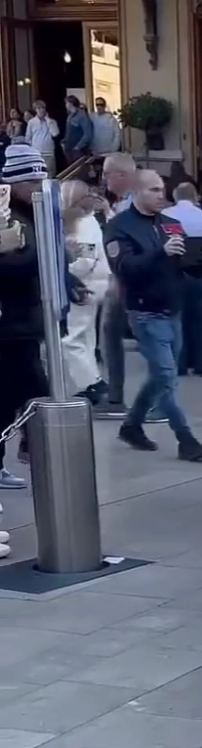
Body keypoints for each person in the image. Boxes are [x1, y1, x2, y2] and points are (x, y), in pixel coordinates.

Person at [103, 169, 202, 462]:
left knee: (160, 375)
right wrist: (161, 253)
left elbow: (188, 267)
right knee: (166, 376)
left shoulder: (170, 224)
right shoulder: (119, 227)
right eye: (153, 190)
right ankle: (185, 438)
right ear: (137, 192)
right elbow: (125, 267)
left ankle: (132, 425)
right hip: (144, 312)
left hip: (173, 309)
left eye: (161, 189)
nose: (160, 195)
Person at [0, 143, 50, 491]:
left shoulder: (34, 214)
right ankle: (30, 449)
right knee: (29, 391)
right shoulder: (10, 217)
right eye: (32, 182)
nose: (38, 187)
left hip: (23, 323)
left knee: (22, 393)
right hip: (10, 325)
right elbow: (17, 262)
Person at [98, 151, 142, 417]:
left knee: (117, 334)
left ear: (121, 175)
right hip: (123, 279)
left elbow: (126, 236)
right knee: (111, 334)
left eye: (107, 173)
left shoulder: (133, 202)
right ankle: (115, 396)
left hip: (128, 281)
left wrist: (106, 214)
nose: (104, 179)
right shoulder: (127, 201)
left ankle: (118, 399)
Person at [61, 178, 110, 401]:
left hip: (85, 285)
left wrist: (64, 273)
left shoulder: (81, 224)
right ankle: (92, 379)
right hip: (95, 283)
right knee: (86, 337)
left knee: (71, 339)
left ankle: (91, 382)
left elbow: (85, 261)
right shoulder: (88, 221)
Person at [165, 182, 202, 377]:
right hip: (200, 273)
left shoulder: (167, 215)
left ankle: (181, 364)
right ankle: (201, 364)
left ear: (175, 196)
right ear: (195, 196)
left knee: (179, 320)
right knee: (200, 321)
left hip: (177, 273)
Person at [25, 101, 59, 174]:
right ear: (35, 110)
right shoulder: (31, 122)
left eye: (43, 108)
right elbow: (28, 138)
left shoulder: (52, 121)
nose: (41, 110)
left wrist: (48, 120)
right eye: (39, 108)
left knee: (50, 175)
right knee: (38, 175)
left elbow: (55, 133)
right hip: (37, 154)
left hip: (49, 153)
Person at [63, 97, 93, 164]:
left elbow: (88, 134)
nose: (66, 105)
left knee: (79, 170)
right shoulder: (70, 116)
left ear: (71, 103)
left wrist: (78, 146)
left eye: (66, 103)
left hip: (78, 150)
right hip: (69, 148)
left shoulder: (82, 116)